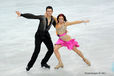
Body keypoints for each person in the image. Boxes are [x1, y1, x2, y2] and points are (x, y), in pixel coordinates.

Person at [16, 6, 57, 71]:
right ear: (46, 11)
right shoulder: (42, 17)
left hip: (46, 35)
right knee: (37, 51)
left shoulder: (53, 19)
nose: (49, 12)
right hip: (39, 35)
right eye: (48, 11)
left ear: (52, 12)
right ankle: (29, 66)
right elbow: (32, 16)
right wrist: (21, 14)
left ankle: (43, 63)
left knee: (51, 49)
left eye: (50, 11)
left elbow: (57, 26)